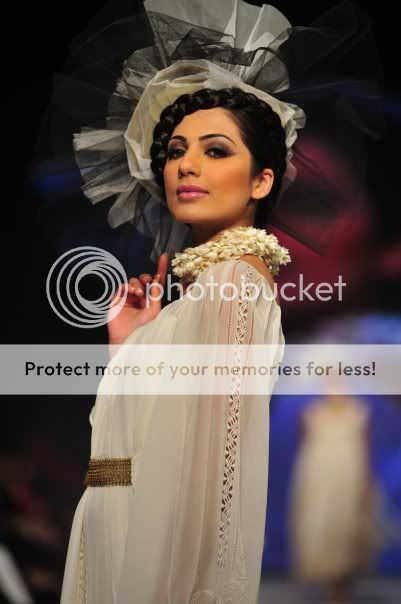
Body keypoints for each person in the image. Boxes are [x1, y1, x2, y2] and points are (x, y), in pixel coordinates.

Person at [32, 1, 382, 602]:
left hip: (152, 565)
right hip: (123, 539)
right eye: (175, 151)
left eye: (216, 150)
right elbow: (128, 456)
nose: (186, 165)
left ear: (262, 180)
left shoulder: (233, 284)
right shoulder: (207, 288)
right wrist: (128, 351)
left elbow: (208, 477)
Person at [288, 395, 377, 604]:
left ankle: (342, 584)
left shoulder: (359, 412)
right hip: (319, 476)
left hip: (349, 474)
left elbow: (365, 448)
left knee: (347, 524)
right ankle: (331, 584)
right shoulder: (311, 412)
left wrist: (366, 482)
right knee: (322, 525)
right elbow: (305, 446)